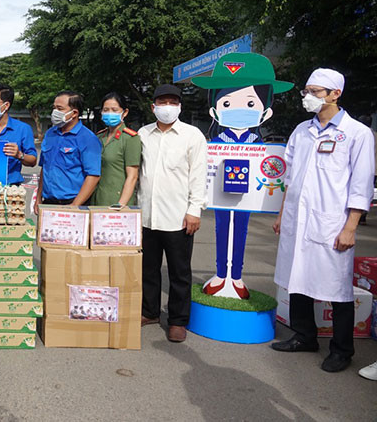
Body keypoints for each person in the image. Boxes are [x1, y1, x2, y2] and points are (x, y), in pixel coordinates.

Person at [272, 68, 375, 373]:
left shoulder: (356, 134)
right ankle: (304, 335)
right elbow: (289, 177)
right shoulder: (302, 131)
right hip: (297, 219)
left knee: (335, 286)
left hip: (331, 223)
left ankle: (342, 350)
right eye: (306, 91)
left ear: (335, 94)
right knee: (297, 278)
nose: (308, 97)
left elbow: (361, 184)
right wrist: (281, 214)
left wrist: (350, 227)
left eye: (315, 92)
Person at [193, 53, 293, 299]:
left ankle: (236, 276)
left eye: (250, 104)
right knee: (221, 229)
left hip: (249, 197)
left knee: (241, 231)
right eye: (227, 104)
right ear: (215, 111)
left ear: (265, 112)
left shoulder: (263, 148)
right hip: (218, 195)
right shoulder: (212, 145)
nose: (238, 110)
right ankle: (220, 274)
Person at [139, 84, 208, 342]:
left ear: (179, 106)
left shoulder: (192, 136)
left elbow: (198, 176)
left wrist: (194, 210)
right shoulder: (143, 134)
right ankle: (150, 312)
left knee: (180, 272)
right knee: (149, 268)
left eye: (172, 102)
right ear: (153, 106)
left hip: (179, 217)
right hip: (147, 216)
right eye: (162, 101)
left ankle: (178, 320)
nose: (167, 106)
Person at [34, 91, 102, 211]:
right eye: (54, 108)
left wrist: (74, 206)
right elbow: (44, 168)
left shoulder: (87, 138)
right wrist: (38, 198)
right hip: (48, 202)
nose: (55, 112)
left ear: (74, 113)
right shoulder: (50, 134)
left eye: (59, 108)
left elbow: (93, 176)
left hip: (74, 203)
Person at [91, 92, 141, 207]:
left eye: (114, 110)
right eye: (106, 110)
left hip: (116, 201)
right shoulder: (99, 137)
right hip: (96, 199)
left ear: (125, 112)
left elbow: (132, 176)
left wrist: (120, 204)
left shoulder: (130, 139)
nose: (110, 113)